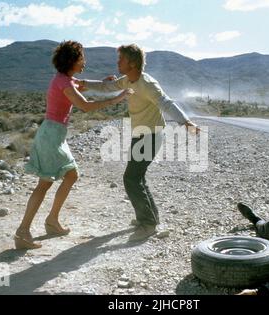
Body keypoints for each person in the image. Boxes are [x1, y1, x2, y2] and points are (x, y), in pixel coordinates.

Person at [14, 41, 133, 250]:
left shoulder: (65, 79)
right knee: (45, 184)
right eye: (81, 58)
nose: (84, 61)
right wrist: (118, 98)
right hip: (51, 136)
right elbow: (85, 106)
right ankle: (23, 232)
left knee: (70, 175)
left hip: (55, 134)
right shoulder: (63, 82)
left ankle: (51, 221)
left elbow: (83, 85)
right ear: (72, 60)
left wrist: (104, 82)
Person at [77, 44, 200, 242]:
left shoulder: (147, 84)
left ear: (132, 63)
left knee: (131, 179)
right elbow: (108, 86)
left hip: (151, 135)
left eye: (121, 60)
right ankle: (150, 218)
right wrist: (83, 83)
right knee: (137, 177)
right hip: (141, 134)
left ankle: (148, 224)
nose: (117, 63)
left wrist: (185, 122)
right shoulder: (128, 80)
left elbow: (167, 103)